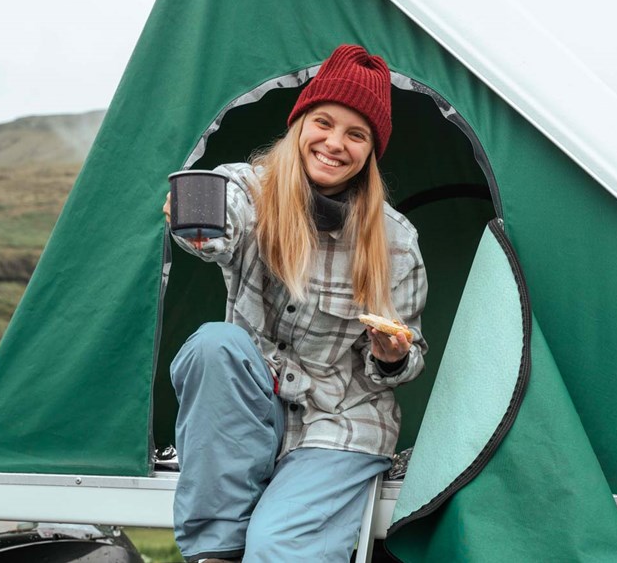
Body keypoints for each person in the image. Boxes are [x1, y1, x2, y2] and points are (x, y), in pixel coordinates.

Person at [162, 44, 428, 563]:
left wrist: (392, 355)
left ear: (371, 151)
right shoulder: (249, 186)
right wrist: (198, 220)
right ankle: (214, 550)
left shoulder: (397, 241)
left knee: (278, 546)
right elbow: (219, 218)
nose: (334, 143)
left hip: (342, 420)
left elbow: (406, 360)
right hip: (255, 409)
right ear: (299, 123)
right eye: (324, 123)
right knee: (213, 344)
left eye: (356, 134)